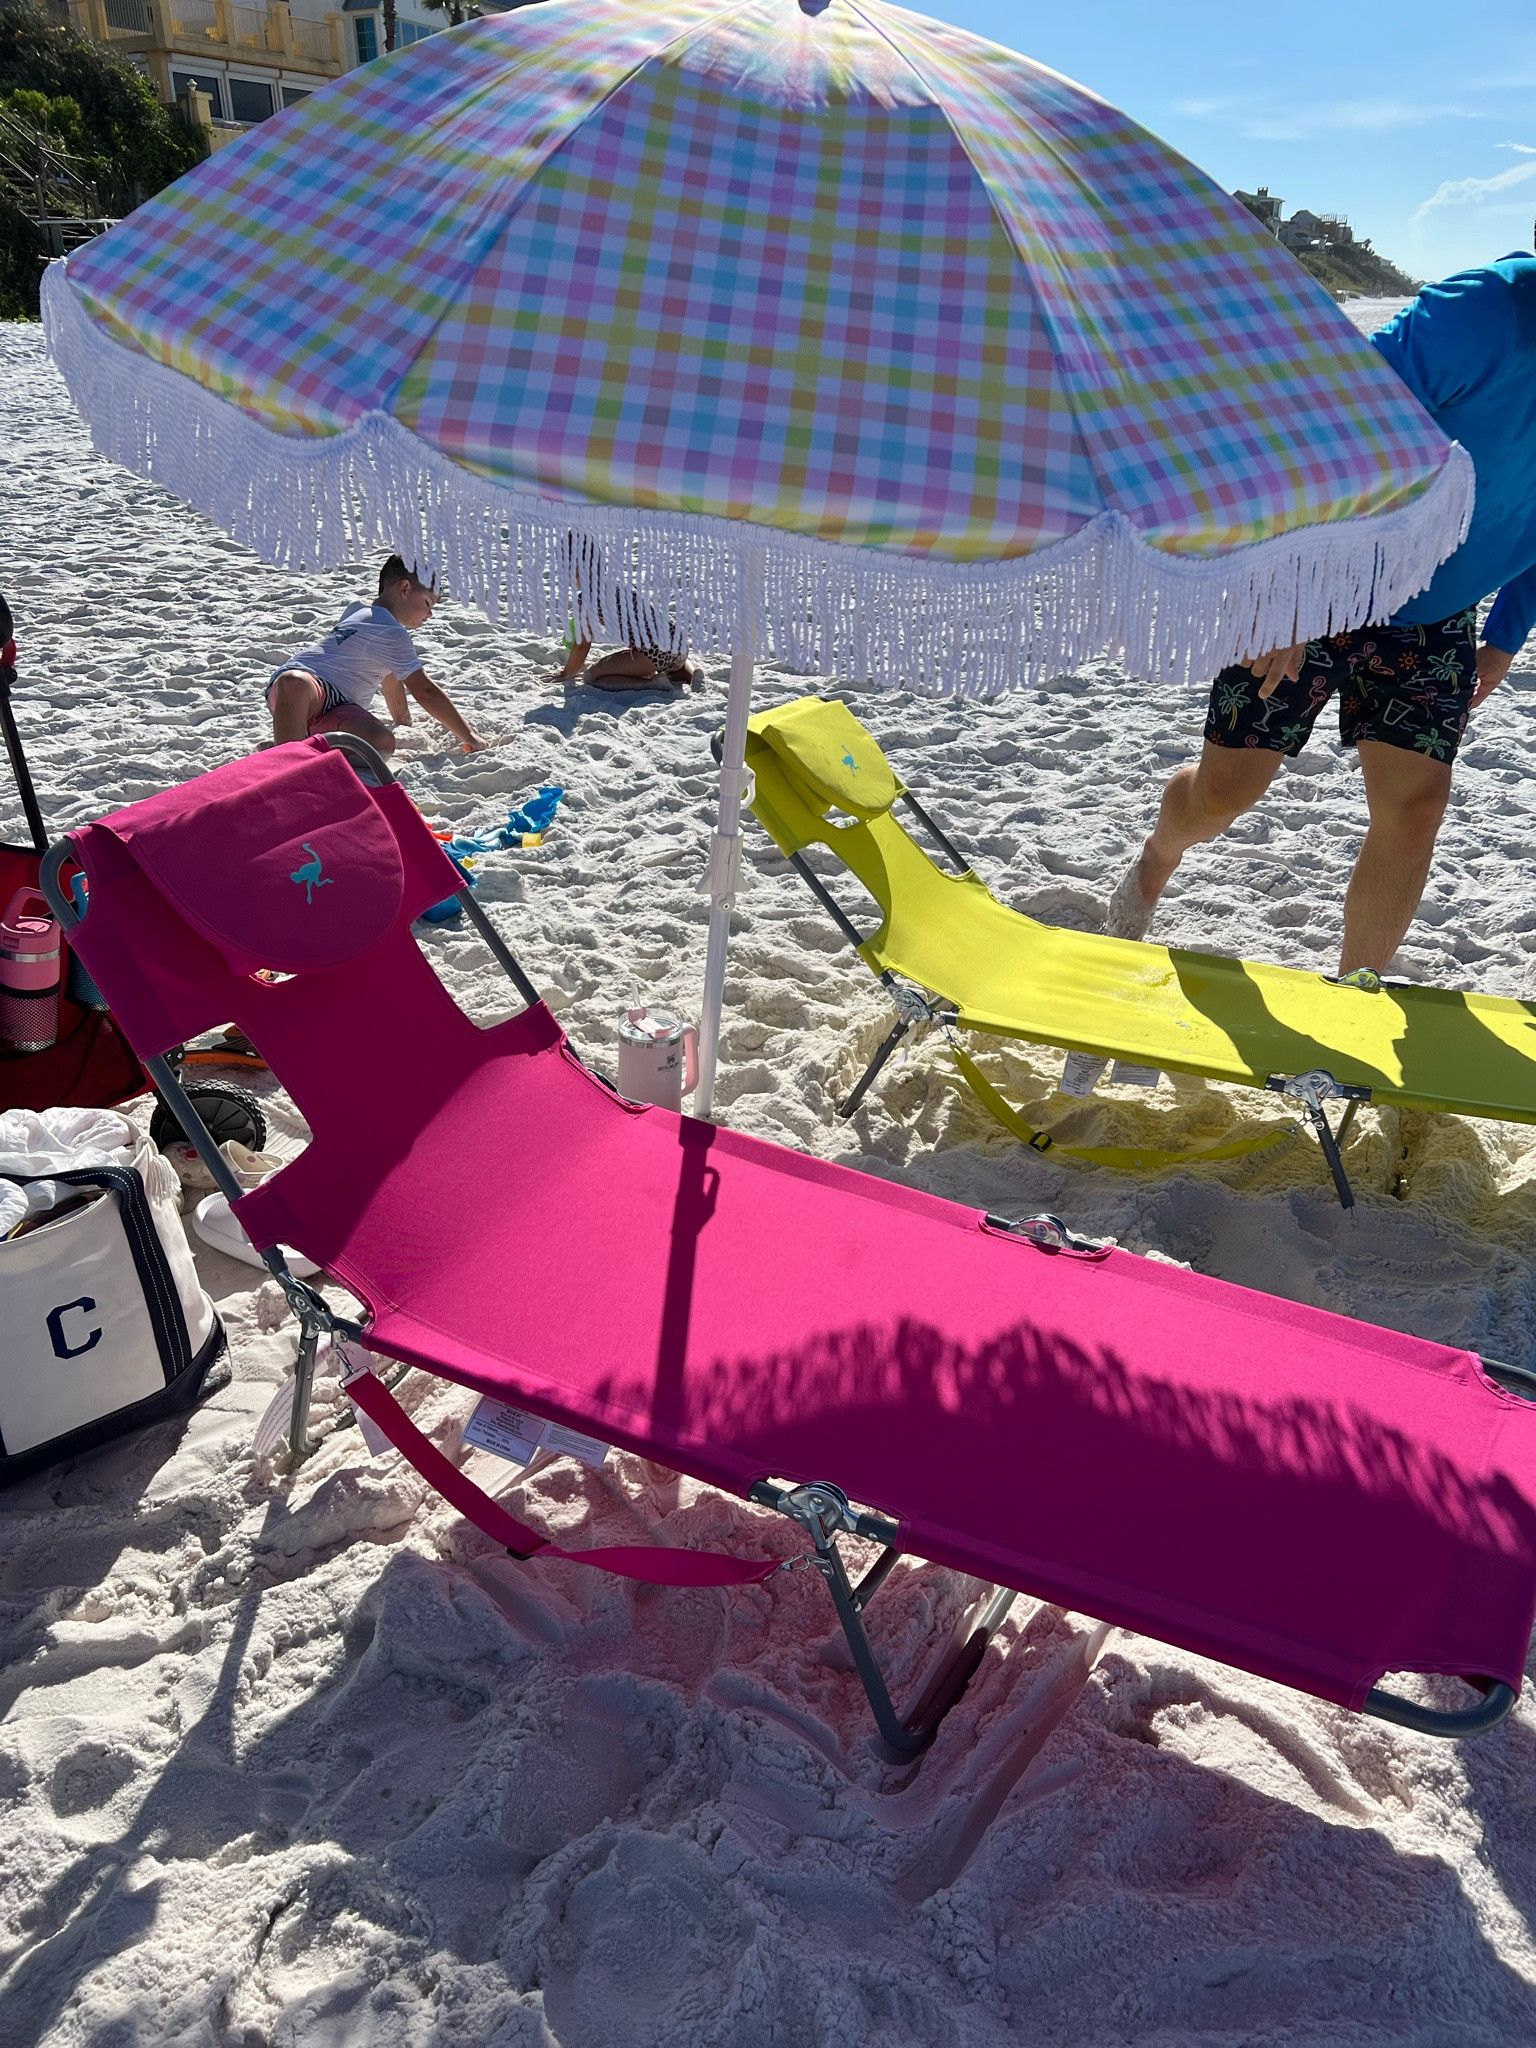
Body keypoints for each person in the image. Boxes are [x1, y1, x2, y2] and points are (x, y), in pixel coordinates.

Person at [1105, 250, 1536, 977]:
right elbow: (1328, 423)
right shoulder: (1486, 309)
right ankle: (1155, 861)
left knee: (1415, 811)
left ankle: (1354, 992)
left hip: (1434, 620)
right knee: (1222, 795)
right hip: (1319, 578)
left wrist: (1506, 632)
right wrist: (1295, 592)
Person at [267, 556, 485, 755]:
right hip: (307, 686)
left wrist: (402, 719)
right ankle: (287, 758)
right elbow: (425, 690)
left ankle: (294, 743)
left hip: (338, 709)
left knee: (381, 742)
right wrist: (468, 735)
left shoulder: (359, 611)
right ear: (405, 588)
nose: (430, 614)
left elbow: (388, 675)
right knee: (294, 682)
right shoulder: (391, 631)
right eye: (428, 603)